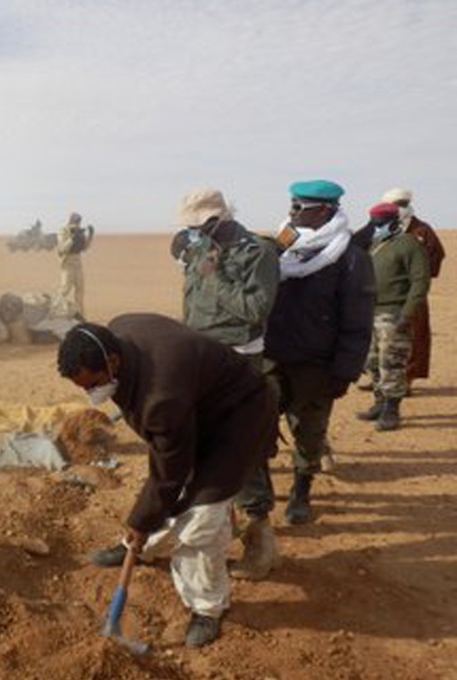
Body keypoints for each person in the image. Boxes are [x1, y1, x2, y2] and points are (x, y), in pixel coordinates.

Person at [57, 316, 277, 648]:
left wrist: (141, 519)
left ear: (113, 361)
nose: (90, 393)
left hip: (239, 418)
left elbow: (169, 474)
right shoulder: (120, 332)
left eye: (93, 384)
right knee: (161, 499)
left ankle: (207, 608)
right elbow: (166, 458)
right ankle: (140, 544)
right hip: (195, 410)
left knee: (202, 516)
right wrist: (141, 520)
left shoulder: (161, 396)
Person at [165, 188, 282, 581]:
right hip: (199, 359)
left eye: (200, 227)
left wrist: (214, 279)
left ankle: (260, 539)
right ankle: (218, 525)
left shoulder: (258, 252)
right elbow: (192, 302)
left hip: (238, 362)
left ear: (221, 219)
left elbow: (256, 308)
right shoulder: (202, 248)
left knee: (242, 450)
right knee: (201, 447)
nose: (195, 233)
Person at [265, 180, 375, 525]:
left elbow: (358, 321)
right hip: (270, 357)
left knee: (309, 430)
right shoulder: (282, 245)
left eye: (301, 207)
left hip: (315, 364)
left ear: (325, 210)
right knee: (258, 424)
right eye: (292, 205)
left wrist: (345, 371)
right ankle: (263, 489)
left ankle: (301, 491)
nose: (292, 212)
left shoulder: (350, 257)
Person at [356, 203, 430, 431]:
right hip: (369, 312)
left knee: (392, 362)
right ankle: (379, 402)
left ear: (395, 222)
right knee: (372, 361)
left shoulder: (408, 245)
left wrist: (407, 313)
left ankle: (392, 409)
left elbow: (420, 281)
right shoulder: (373, 244)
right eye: (373, 222)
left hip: (393, 312)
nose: (376, 227)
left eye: (380, 223)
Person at [380, 188, 446, 389]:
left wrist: (418, 276)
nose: (398, 208)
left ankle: (405, 380)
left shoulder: (422, 230)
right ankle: (381, 378)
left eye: (401, 203)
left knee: (413, 335)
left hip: (412, 294)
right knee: (382, 335)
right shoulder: (383, 228)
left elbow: (436, 255)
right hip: (385, 294)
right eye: (394, 204)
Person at [54, 212, 94, 318]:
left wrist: (90, 236)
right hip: (67, 262)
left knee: (80, 290)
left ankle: (80, 315)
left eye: (79, 221)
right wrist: (72, 239)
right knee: (65, 289)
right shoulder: (63, 231)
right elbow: (61, 249)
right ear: (71, 220)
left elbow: (84, 248)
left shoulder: (79, 232)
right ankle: (53, 312)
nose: (77, 223)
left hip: (78, 261)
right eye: (76, 221)